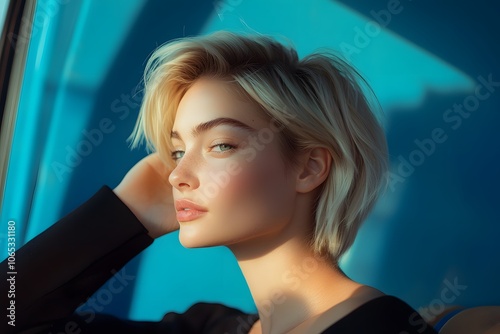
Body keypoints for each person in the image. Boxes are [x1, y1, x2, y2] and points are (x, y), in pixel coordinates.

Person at [1, 31, 439, 333]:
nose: (176, 174)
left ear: (309, 168)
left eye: (221, 145)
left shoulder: (382, 328)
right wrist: (125, 213)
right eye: (176, 150)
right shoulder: (208, 328)